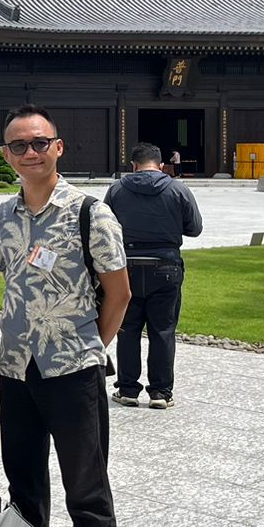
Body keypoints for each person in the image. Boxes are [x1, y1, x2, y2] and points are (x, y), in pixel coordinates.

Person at [0, 104, 129, 527]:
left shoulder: (92, 212)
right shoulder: (2, 217)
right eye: (18, 146)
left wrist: (90, 347)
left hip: (73, 372)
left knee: (87, 492)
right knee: (23, 480)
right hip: (17, 368)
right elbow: (9, 281)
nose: (30, 153)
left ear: (58, 147)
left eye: (39, 143)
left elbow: (119, 293)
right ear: (6, 155)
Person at [107, 143, 203, 410]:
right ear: (161, 166)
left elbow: (105, 227)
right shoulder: (177, 189)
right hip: (166, 267)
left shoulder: (117, 190)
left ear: (133, 166)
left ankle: (127, 389)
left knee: (127, 330)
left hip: (127, 267)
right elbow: (194, 228)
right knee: (163, 330)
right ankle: (161, 392)